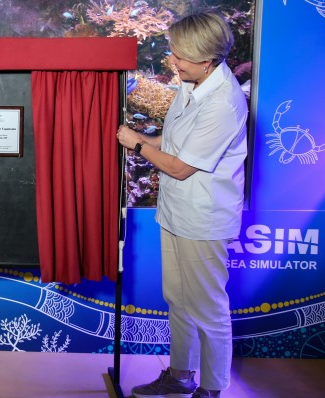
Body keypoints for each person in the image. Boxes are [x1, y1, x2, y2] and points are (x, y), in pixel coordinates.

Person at [116, 11, 247, 398]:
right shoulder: (191, 84)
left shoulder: (223, 102)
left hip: (204, 218)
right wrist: (140, 136)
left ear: (206, 60)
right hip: (176, 213)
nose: (171, 61)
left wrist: (136, 144)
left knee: (207, 308)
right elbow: (173, 145)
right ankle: (180, 375)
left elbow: (180, 166)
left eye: (178, 56)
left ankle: (212, 388)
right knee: (178, 299)